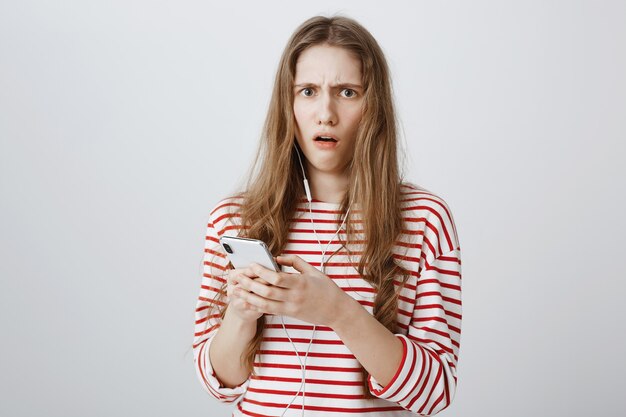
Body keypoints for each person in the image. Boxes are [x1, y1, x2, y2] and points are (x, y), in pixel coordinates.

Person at [192, 14, 462, 417]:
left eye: (347, 92)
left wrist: (338, 310)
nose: (326, 113)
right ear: (288, 104)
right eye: (308, 91)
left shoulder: (424, 219)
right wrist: (241, 314)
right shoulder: (234, 220)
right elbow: (221, 386)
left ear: (374, 106)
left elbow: (434, 393)